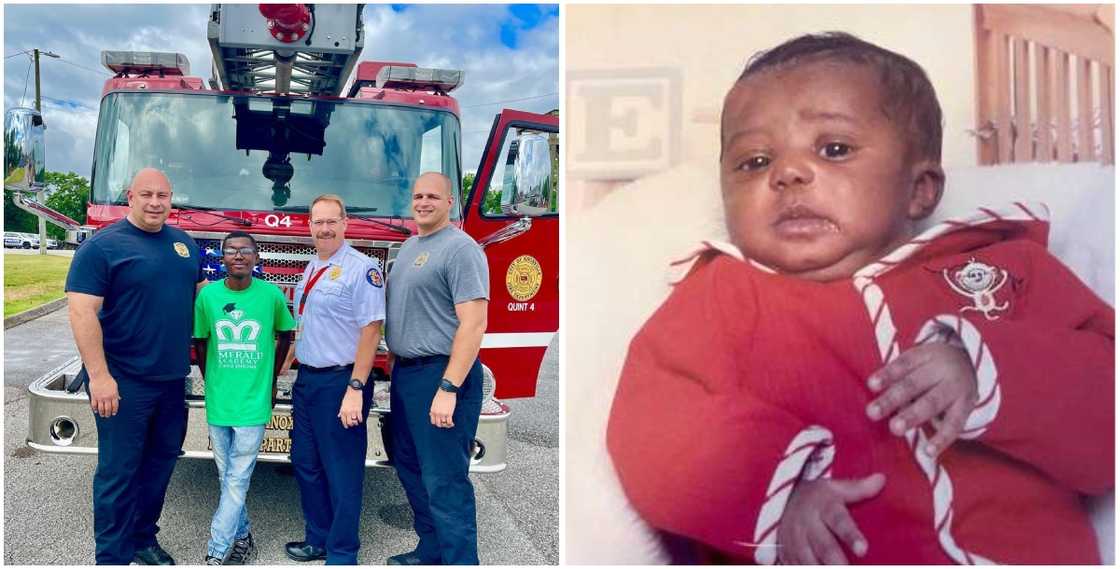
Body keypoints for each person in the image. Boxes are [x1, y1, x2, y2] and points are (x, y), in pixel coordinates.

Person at [607, 33, 1114, 565]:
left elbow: (1105, 407)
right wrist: (776, 496)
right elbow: (654, 422)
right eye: (754, 161)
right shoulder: (720, 297)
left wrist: (987, 370)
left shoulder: (1005, 270)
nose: (787, 173)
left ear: (920, 189)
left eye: (834, 149)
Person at [65, 167, 207, 565]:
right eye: (147, 195)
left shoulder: (183, 244)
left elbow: (201, 298)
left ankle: (143, 538)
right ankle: (112, 555)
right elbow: (81, 312)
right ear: (130, 197)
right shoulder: (102, 247)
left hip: (171, 380)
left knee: (160, 464)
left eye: (163, 196)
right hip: (122, 381)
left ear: (171, 199)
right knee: (118, 472)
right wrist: (99, 377)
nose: (155, 203)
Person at [385, 172, 489, 565]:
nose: (423, 203)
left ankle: (460, 560)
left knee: (445, 479)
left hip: (441, 375)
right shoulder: (410, 247)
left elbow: (473, 323)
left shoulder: (461, 250)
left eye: (432, 196)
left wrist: (449, 388)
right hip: (407, 375)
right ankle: (431, 549)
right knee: (410, 467)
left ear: (450, 202)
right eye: (417, 196)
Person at [285, 194, 384, 565]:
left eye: (331, 221)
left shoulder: (362, 269)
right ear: (309, 225)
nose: (324, 229)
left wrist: (355, 388)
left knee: (341, 470)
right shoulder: (313, 265)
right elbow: (309, 321)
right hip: (308, 380)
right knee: (305, 462)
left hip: (341, 382)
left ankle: (342, 552)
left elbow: (372, 330)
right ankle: (318, 538)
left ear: (345, 224)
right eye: (318, 222)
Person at [193, 231, 295, 565]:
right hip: (220, 401)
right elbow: (201, 341)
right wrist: (211, 380)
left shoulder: (271, 295)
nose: (239, 256)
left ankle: (217, 550)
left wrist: (272, 378)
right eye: (231, 250)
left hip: (254, 401)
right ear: (222, 258)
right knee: (227, 478)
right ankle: (243, 535)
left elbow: (286, 334)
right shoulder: (208, 297)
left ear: (256, 257)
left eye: (246, 250)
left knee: (237, 479)